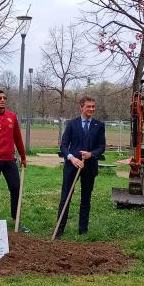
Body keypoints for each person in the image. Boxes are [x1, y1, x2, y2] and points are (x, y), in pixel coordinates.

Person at [54, 96, 106, 239]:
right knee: (65, 197)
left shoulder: (99, 125)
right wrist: (72, 158)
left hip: (89, 167)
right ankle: (59, 229)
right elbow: (64, 145)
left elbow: (102, 147)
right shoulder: (72, 124)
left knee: (86, 199)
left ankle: (83, 230)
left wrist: (91, 154)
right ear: (81, 107)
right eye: (88, 106)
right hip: (72, 166)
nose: (91, 109)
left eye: (93, 107)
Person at [0, 90, 29, 233]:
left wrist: (23, 156)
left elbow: (18, 138)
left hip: (10, 160)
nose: (2, 100)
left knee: (16, 189)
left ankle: (16, 220)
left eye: (4, 98)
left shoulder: (12, 117)